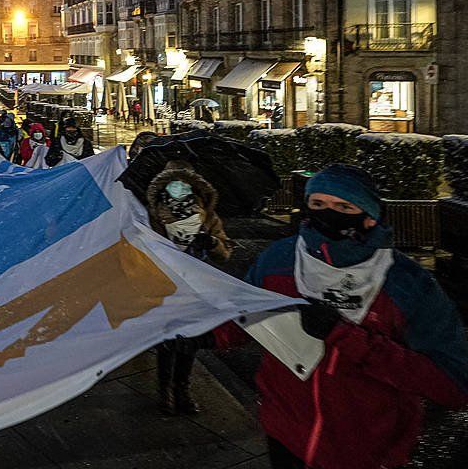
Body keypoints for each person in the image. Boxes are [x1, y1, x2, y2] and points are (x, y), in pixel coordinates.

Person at [191, 164, 468, 469]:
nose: (328, 214)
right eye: (318, 204)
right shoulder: (279, 259)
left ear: (370, 215)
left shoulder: (406, 283)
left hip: (368, 450)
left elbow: (452, 384)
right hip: (287, 434)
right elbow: (250, 313)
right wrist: (209, 335)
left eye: (343, 206)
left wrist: (346, 337)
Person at [144, 159, 230, 415]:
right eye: (173, 182)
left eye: (184, 183)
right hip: (163, 286)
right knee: (167, 341)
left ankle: (183, 388)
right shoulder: (150, 214)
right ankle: (165, 391)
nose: (179, 187)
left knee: (189, 341)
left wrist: (211, 243)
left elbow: (225, 253)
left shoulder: (207, 214)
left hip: (195, 287)